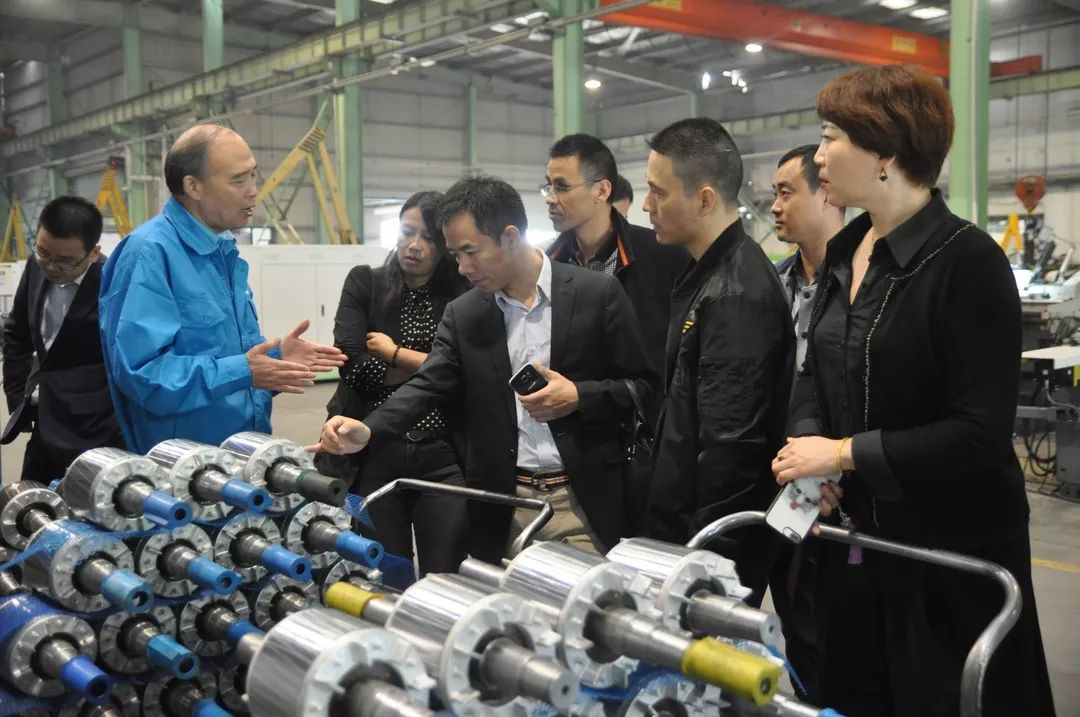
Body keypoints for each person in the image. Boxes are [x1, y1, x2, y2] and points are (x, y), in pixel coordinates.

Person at [772, 65, 1055, 717]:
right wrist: (815, 452)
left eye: (831, 137)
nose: (820, 156)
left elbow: (980, 430)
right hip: (856, 544)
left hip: (948, 558)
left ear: (886, 153)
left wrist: (843, 454)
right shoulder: (844, 252)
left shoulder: (967, 263)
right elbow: (815, 371)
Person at [308, 176, 658, 562]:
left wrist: (579, 396)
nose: (462, 267)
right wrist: (369, 429)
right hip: (501, 505)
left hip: (581, 501)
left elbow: (645, 387)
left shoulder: (596, 293)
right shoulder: (465, 313)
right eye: (456, 254)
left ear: (510, 236)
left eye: (470, 251)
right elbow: (428, 384)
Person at [99, 124, 345, 453]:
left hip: (243, 455)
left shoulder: (223, 251)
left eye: (254, 175)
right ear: (193, 186)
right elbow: (143, 375)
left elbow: (233, 360)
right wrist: (244, 371)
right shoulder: (149, 254)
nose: (253, 191)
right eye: (238, 180)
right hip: (181, 466)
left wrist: (274, 359)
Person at [643, 118, 793, 606]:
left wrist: (707, 565)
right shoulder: (708, 274)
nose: (646, 206)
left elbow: (732, 450)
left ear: (704, 199)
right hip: (687, 532)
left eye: (658, 192)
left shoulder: (735, 293)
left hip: (710, 552)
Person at [321, 191, 470, 575]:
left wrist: (394, 354)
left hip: (443, 456)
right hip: (371, 451)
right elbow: (352, 366)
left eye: (428, 238)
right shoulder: (365, 283)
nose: (414, 245)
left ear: (445, 246)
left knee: (446, 576)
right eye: (407, 232)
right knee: (382, 572)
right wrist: (434, 367)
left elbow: (467, 373)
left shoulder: (463, 294)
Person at [766, 144, 847, 702]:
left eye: (785, 192)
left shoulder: (860, 283)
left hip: (843, 484)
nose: (774, 206)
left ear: (826, 194)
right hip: (784, 480)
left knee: (842, 635)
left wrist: (840, 466)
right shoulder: (773, 284)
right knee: (797, 620)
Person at [543, 134, 686, 415]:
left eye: (561, 187)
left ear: (601, 190)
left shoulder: (662, 255)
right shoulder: (550, 265)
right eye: (548, 186)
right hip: (576, 426)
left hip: (650, 422)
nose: (550, 198)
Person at [2, 197, 124, 482]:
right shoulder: (37, 266)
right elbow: (17, 333)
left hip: (94, 430)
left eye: (64, 261)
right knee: (31, 500)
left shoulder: (113, 283)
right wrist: (18, 397)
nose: (51, 266)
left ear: (93, 253)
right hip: (42, 418)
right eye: (43, 252)